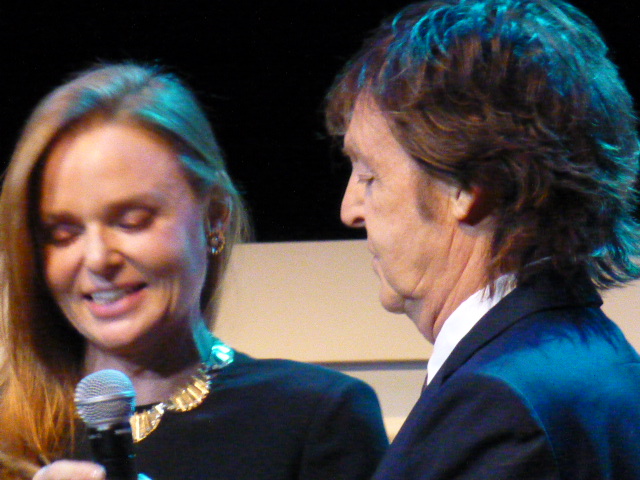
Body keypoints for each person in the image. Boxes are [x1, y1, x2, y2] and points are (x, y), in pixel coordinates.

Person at [0, 62, 388, 480]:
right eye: (63, 233)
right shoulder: (9, 435)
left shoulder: (316, 417)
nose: (97, 258)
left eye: (132, 220)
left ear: (215, 216)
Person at [325, 0, 640, 478]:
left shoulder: (497, 405)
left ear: (467, 186)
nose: (350, 210)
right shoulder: (601, 361)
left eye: (370, 176)